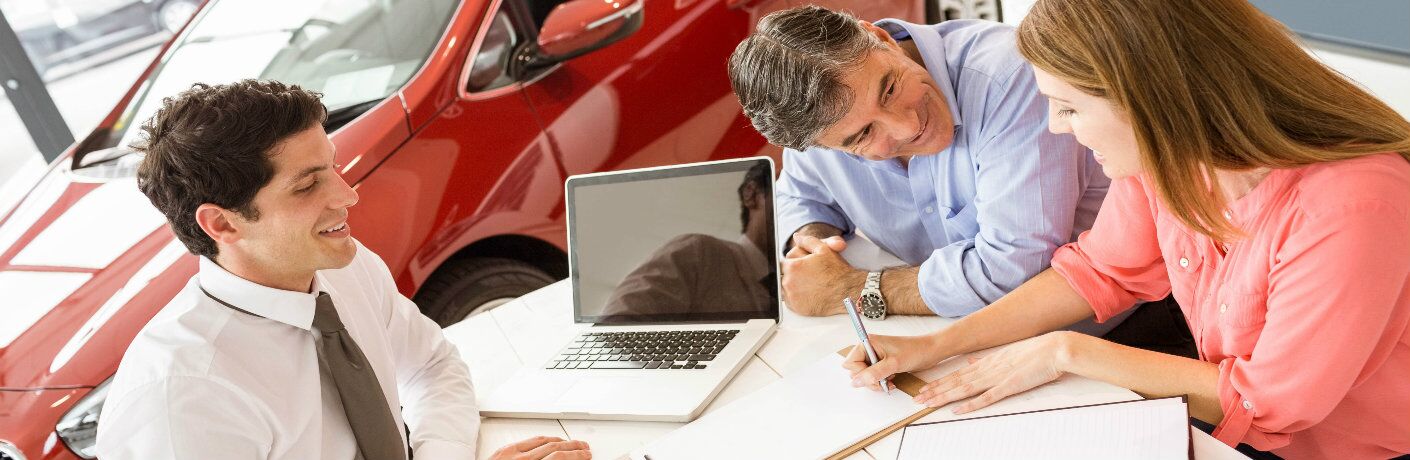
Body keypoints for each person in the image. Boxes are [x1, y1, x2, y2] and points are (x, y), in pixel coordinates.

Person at [843, 1, 1410, 458]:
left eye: (1068, 108)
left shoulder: (1350, 205)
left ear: (1151, 98)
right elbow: (1098, 272)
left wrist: (1066, 351)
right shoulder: (1167, 157)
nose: (1055, 127)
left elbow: (1271, 403)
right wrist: (935, 346)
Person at [96, 80, 591, 460]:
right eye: (307, 185)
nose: (348, 195)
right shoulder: (179, 394)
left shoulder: (344, 270)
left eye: (332, 168)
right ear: (222, 223)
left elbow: (431, 367)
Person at [727, 6, 1110, 319]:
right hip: (948, 335)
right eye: (864, 135)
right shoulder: (818, 127)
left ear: (881, 38)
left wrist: (852, 288)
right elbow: (799, 198)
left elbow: (1015, 270)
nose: (907, 127)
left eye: (890, 89)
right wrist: (815, 247)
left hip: (1092, 332)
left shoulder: (1009, 76)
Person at [600, 162, 776, 317]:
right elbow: (617, 325)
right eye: (785, 194)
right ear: (751, 194)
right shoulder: (700, 253)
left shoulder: (783, 282)